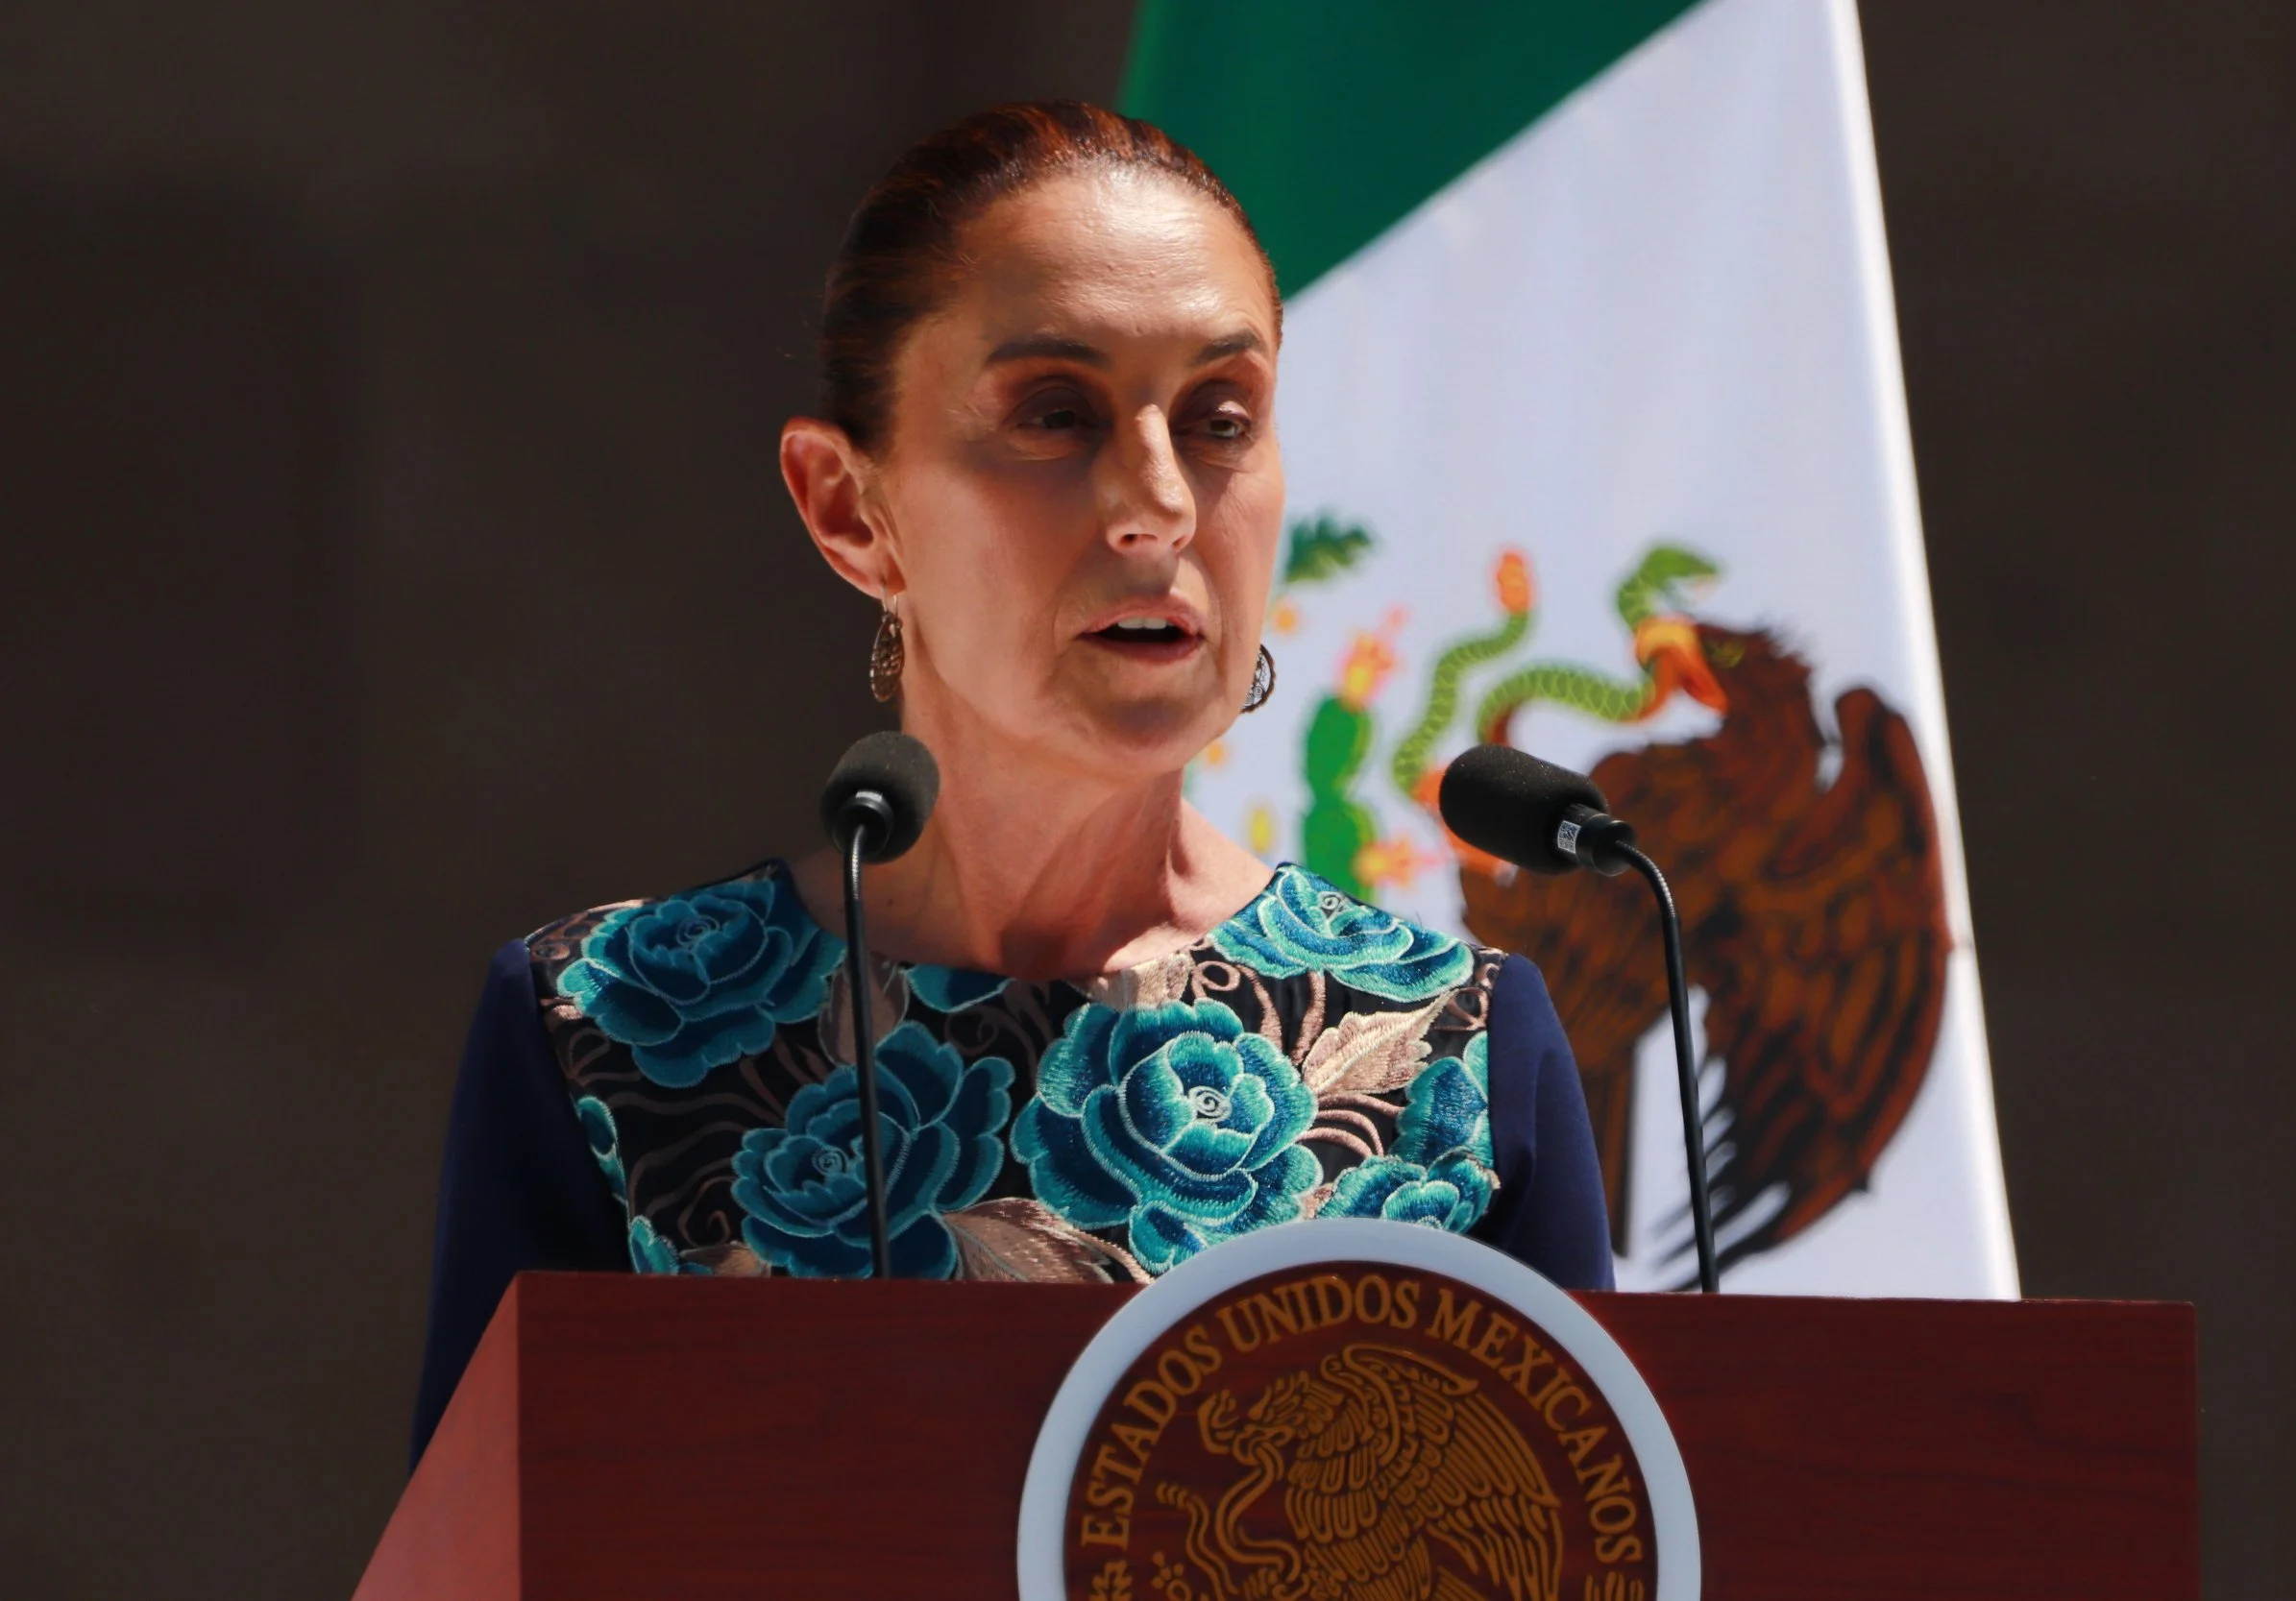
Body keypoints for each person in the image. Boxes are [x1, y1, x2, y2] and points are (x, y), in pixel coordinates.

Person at [409, 102, 1610, 1466]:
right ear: (850, 509)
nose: (1157, 500)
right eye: (1055, 413)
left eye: (1223, 416)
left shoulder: (1456, 1050)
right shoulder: (601, 1034)